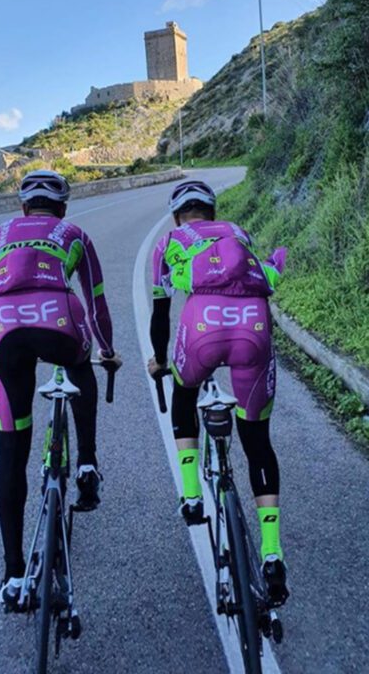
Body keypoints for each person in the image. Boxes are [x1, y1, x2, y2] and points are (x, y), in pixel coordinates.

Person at [0, 169, 122, 610]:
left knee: (11, 453)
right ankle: (87, 464)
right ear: (62, 208)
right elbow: (96, 302)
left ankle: (13, 576)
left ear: (24, 208)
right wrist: (107, 351)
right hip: (58, 319)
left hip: (3, 329)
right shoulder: (74, 233)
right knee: (80, 364)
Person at [148, 179, 289, 605]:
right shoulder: (237, 233)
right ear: (212, 212)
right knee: (257, 440)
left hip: (201, 330)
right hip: (253, 330)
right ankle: (271, 553)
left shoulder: (169, 242)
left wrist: (160, 360)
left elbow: (160, 312)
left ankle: (192, 495)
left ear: (178, 216)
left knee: (184, 393)